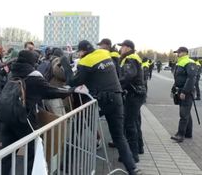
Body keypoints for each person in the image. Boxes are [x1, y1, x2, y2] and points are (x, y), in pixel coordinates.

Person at [60, 40, 142, 175]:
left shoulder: (86, 61)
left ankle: (65, 165)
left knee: (76, 130)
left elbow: (73, 81)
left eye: (79, 52)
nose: (78, 55)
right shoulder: (105, 55)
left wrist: (65, 64)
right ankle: (133, 169)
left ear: (82, 51)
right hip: (117, 98)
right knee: (119, 136)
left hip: (101, 100)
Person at [1, 50, 74, 175]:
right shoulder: (33, 76)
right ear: (32, 61)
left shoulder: (13, 73)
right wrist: (71, 90)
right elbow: (50, 91)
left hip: (7, 115)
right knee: (34, 149)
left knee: (7, 152)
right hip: (24, 117)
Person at [118, 40, 146, 161]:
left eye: (122, 47)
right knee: (134, 122)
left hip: (134, 94)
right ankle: (139, 148)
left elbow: (128, 76)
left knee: (129, 124)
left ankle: (132, 155)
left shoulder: (131, 58)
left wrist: (116, 85)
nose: (121, 49)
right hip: (137, 93)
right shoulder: (133, 58)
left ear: (128, 47)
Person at [171, 47, 196, 142]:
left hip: (186, 92)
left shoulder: (189, 62)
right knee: (186, 113)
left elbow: (191, 79)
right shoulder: (179, 62)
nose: (177, 53)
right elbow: (178, 78)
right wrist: (174, 88)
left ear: (185, 52)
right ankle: (188, 133)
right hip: (180, 90)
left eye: (179, 52)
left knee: (183, 114)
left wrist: (184, 92)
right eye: (177, 52)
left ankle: (180, 135)